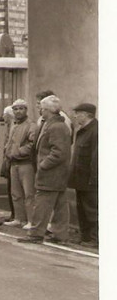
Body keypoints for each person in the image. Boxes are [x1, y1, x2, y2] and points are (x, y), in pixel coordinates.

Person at [19, 95, 71, 245]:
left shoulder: (55, 127)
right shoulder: (54, 125)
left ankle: (36, 233)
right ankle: (60, 234)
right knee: (60, 204)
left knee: (42, 203)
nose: (40, 111)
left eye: (41, 108)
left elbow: (59, 152)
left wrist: (43, 165)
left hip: (51, 173)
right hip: (57, 173)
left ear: (47, 110)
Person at [1, 99, 37, 229]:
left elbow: (32, 144)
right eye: (15, 109)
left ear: (26, 110)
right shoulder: (13, 125)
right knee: (15, 193)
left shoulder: (31, 125)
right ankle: (18, 218)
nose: (18, 111)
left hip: (26, 163)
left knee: (29, 193)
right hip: (13, 163)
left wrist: (17, 152)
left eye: (21, 108)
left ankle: (31, 220)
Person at [68, 102, 98, 248]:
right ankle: (85, 236)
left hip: (90, 179)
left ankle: (95, 238)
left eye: (77, 113)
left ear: (86, 115)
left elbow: (96, 158)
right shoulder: (84, 130)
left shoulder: (95, 131)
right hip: (80, 178)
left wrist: (95, 178)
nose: (75, 116)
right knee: (82, 208)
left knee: (92, 209)